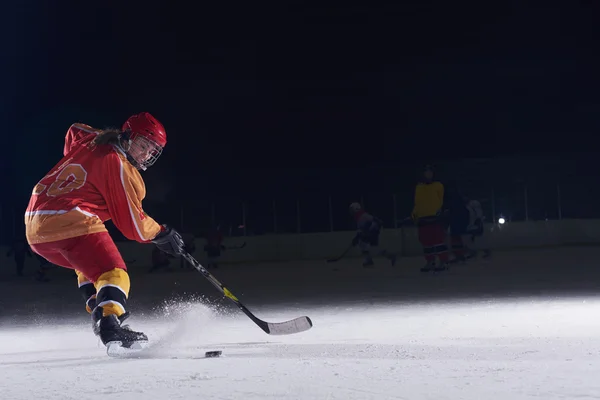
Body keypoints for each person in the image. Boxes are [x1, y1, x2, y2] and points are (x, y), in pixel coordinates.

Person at [24, 112, 186, 349]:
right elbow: (135, 226)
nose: (146, 154)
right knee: (113, 272)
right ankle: (110, 327)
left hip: (35, 226)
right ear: (128, 136)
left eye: (153, 151)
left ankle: (102, 315)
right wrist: (162, 233)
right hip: (69, 219)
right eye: (143, 145)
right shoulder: (120, 167)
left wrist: (81, 162)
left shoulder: (93, 139)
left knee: (89, 268)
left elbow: (74, 129)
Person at [411, 165, 449, 272]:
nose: (428, 175)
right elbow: (417, 202)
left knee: (438, 241)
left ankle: (443, 261)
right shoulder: (419, 187)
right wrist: (414, 213)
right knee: (426, 242)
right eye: (426, 172)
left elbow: (442, 199)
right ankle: (430, 261)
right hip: (423, 218)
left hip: (435, 218)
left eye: (430, 172)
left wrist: (441, 211)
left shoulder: (438, 185)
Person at [349, 202, 396, 268]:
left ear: (355, 209)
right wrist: (357, 237)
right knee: (371, 248)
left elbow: (376, 220)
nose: (351, 212)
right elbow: (361, 230)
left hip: (372, 233)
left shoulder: (363, 216)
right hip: (371, 233)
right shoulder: (359, 217)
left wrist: (370, 231)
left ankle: (369, 260)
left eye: (352, 209)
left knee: (367, 246)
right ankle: (389, 256)